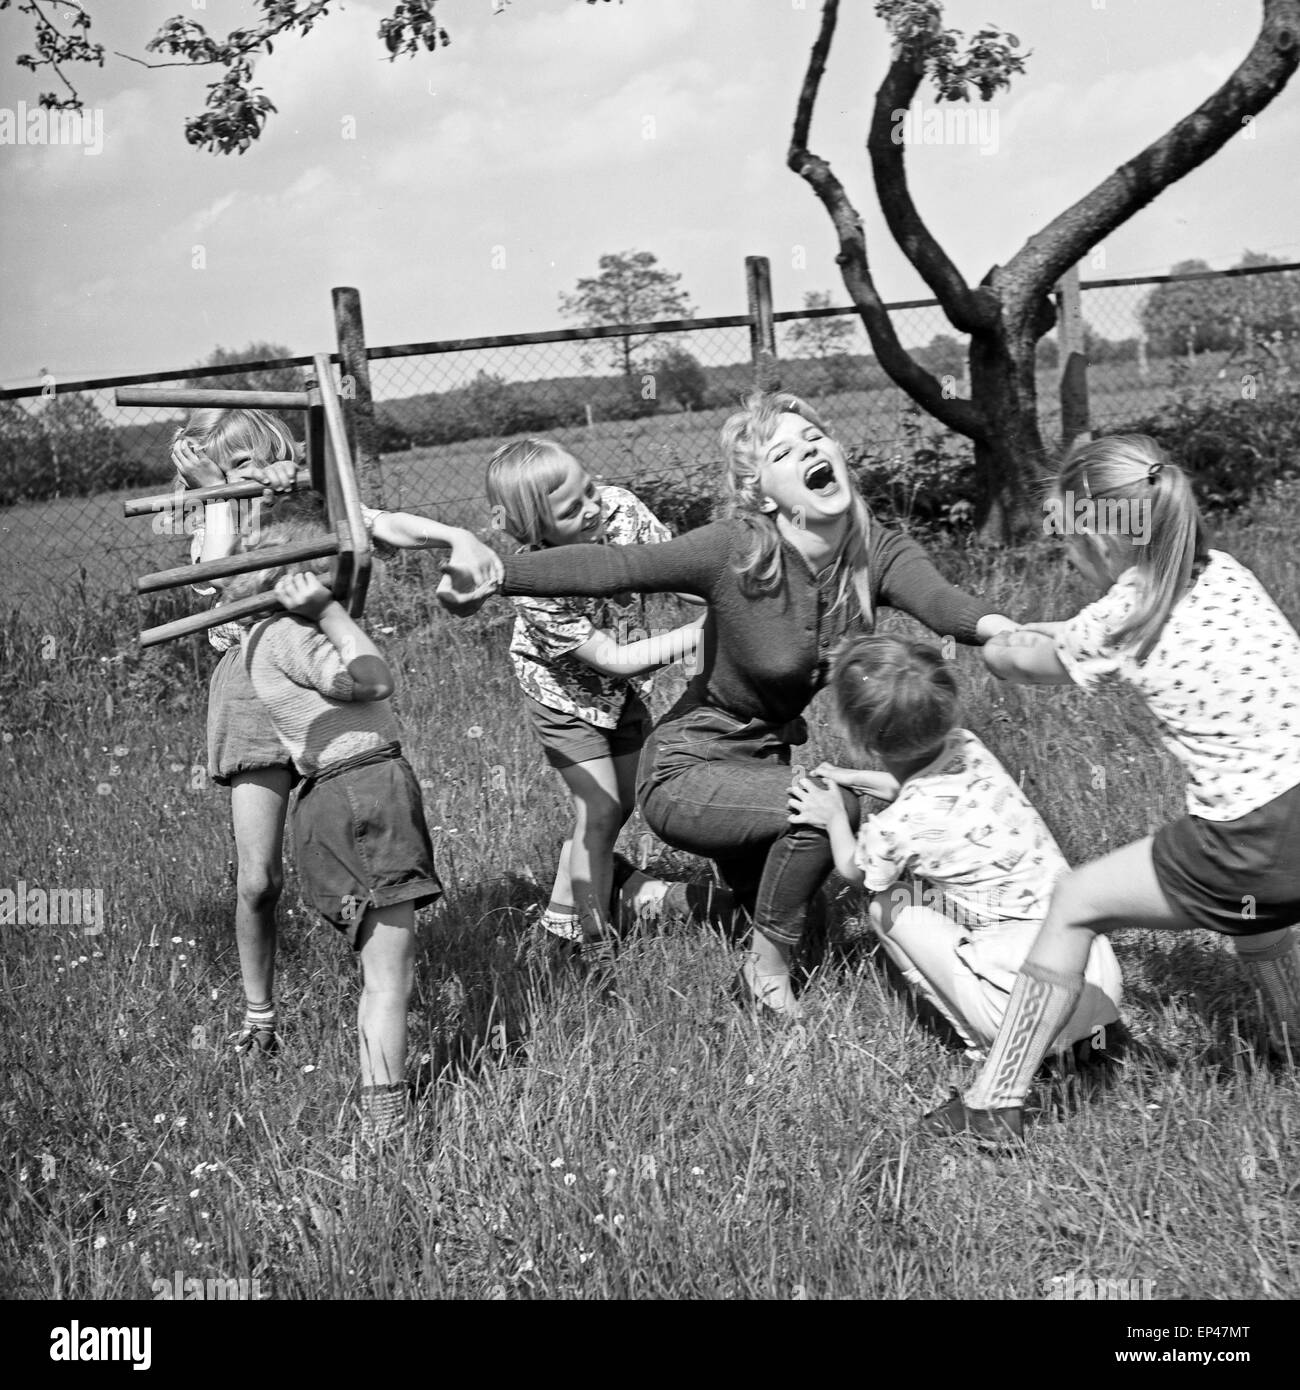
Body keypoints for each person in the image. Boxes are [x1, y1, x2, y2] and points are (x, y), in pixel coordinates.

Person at [440, 392, 1017, 1018]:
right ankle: (761, 978)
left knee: (797, 921)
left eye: (815, 437)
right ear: (766, 493)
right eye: (784, 451)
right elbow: (616, 566)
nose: (810, 450)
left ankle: (638, 895)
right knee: (827, 809)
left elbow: (945, 605)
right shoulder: (736, 548)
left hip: (761, 763)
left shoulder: (875, 552)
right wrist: (499, 574)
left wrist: (1016, 633)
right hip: (687, 767)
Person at [921, 434, 1300, 1144]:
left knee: (1076, 902)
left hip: (1249, 841)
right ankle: (1293, 1037)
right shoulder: (1223, 573)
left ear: (1100, 535)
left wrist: (993, 638)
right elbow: (1085, 633)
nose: (1061, 547)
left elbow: (1019, 665)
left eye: (1064, 530)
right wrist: (1057, 629)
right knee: (1258, 907)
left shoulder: (1121, 618)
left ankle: (995, 1102)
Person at [171, 408, 501, 1057]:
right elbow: (212, 569)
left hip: (321, 672)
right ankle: (259, 1016)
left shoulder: (316, 506)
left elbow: (381, 523)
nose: (259, 472)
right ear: (215, 475)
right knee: (258, 880)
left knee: (353, 819)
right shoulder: (220, 520)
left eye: (266, 455)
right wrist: (219, 491)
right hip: (250, 690)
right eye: (236, 464)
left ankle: (377, 977)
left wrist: (453, 535)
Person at [787, 633, 1122, 1055]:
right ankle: (1084, 1041)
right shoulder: (968, 746)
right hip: (1098, 976)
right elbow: (924, 787)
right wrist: (854, 778)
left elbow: (857, 870)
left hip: (1024, 1010)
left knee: (885, 904)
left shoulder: (896, 828)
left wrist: (835, 818)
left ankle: (982, 1043)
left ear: (864, 739)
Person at [224, 515, 441, 1140]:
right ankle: (384, 1127)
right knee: (389, 976)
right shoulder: (292, 633)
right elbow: (375, 679)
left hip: (337, 801)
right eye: (325, 577)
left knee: (384, 969)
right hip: (362, 795)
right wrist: (332, 616)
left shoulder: (264, 637)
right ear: (294, 584)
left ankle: (383, 1117)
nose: (339, 585)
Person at [485, 439, 720, 951]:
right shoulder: (532, 583)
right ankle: (595, 940)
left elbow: (679, 571)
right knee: (599, 809)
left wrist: (731, 596)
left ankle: (559, 919)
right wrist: (707, 630)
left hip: (625, 693)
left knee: (622, 805)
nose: (593, 508)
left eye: (588, 489)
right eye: (572, 511)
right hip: (562, 698)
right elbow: (614, 658)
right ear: (534, 529)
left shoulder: (620, 509)